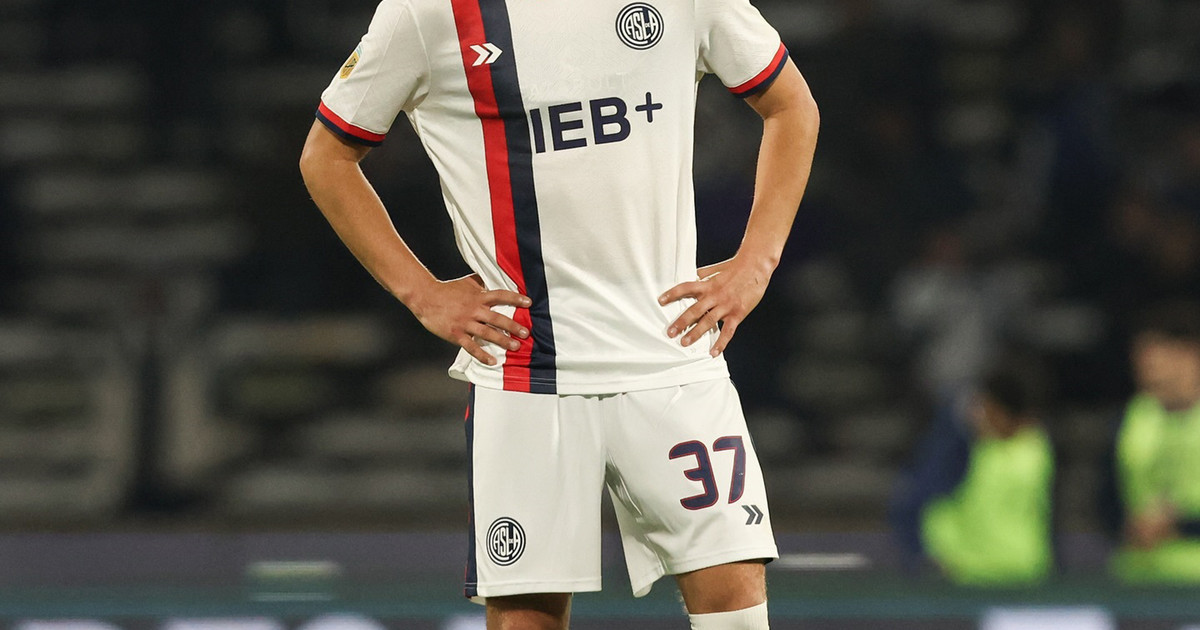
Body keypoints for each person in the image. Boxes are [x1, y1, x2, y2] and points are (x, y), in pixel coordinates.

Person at [298, 0, 819, 628]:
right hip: (527, 372)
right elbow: (325, 157)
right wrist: (422, 293)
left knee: (736, 604)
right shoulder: (429, 12)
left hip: (672, 355)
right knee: (527, 618)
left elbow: (791, 105)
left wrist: (756, 263)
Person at [889, 367, 1055, 585]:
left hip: (1026, 573)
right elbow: (914, 501)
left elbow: (1044, 512)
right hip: (964, 577)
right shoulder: (960, 448)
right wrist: (924, 557)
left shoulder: (1036, 445)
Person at [1102, 301, 1200, 583]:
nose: (1146, 366)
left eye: (1155, 354)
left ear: (1189, 354)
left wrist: (1180, 526)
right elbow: (1107, 497)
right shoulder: (1131, 419)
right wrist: (1128, 526)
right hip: (1138, 579)